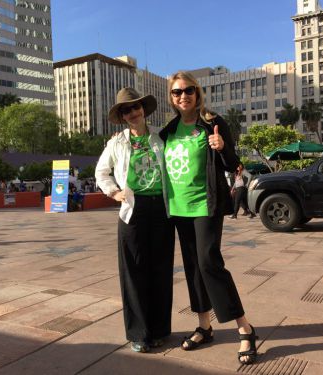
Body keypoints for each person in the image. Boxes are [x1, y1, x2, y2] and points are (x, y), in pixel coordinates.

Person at [159, 71, 258, 365]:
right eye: (177, 92)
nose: (183, 96)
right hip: (178, 208)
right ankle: (204, 325)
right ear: (172, 97)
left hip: (206, 205)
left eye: (188, 90)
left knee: (209, 262)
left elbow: (234, 164)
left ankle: (245, 327)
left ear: (197, 93)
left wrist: (223, 147)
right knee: (193, 267)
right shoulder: (168, 131)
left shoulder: (212, 123)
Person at [95, 88, 175, 353]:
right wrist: (113, 191)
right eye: (126, 110)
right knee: (133, 272)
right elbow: (101, 172)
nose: (133, 113)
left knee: (161, 270)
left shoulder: (161, 136)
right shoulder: (117, 143)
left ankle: (160, 329)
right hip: (132, 210)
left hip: (161, 209)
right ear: (122, 115)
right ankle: (139, 333)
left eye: (136, 107)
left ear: (144, 108)